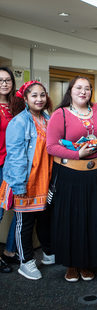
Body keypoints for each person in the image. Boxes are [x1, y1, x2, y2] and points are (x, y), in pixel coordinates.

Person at [46, 76, 97, 282]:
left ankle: (88, 263)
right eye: (78, 88)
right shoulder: (61, 114)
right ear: (71, 91)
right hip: (70, 175)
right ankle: (72, 264)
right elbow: (51, 146)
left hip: (96, 176)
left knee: (92, 219)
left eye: (87, 88)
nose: (83, 92)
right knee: (71, 220)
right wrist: (78, 155)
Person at [1, 80, 54, 280]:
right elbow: (14, 156)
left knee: (44, 219)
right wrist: (18, 185)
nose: (39, 99)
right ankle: (26, 262)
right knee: (25, 223)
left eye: (42, 95)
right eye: (34, 95)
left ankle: (48, 253)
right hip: (25, 181)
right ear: (25, 99)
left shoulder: (47, 118)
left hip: (44, 179)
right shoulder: (19, 122)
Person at [0, 67, 19, 273]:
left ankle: (10, 251)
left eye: (7, 80)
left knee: (20, 210)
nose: (4, 84)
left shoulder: (16, 107)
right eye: (0, 80)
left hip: (14, 164)